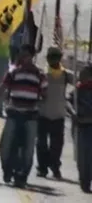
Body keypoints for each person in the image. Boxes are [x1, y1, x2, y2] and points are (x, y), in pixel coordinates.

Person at [0, 43, 46, 188]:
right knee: (4, 145)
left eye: (25, 55)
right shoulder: (13, 72)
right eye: (21, 55)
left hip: (31, 116)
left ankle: (21, 177)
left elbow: (44, 95)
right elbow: (1, 88)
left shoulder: (40, 75)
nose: (22, 58)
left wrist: (38, 101)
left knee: (28, 149)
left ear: (32, 56)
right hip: (14, 114)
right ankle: (7, 170)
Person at [36, 46, 73, 179]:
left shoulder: (65, 74)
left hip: (58, 114)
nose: (53, 60)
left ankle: (55, 167)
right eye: (51, 57)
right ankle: (42, 168)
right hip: (43, 113)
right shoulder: (42, 73)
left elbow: (78, 81)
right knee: (41, 144)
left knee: (57, 145)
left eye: (55, 57)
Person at [69, 63, 92, 193]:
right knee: (81, 156)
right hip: (79, 126)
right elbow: (68, 100)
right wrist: (72, 112)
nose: (80, 75)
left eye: (84, 73)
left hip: (89, 126)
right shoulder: (78, 89)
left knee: (89, 157)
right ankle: (83, 180)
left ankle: (87, 179)